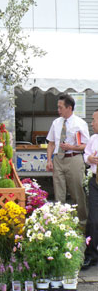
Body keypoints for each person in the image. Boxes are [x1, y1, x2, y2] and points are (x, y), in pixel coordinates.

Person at [46, 94, 89, 224]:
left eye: (60, 107)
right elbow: (51, 143)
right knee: (59, 193)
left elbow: (86, 145)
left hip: (74, 159)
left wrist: (71, 147)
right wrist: (49, 160)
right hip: (58, 159)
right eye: (58, 107)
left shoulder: (80, 123)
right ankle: (60, 223)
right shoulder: (56, 122)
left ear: (69, 108)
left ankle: (82, 221)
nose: (58, 110)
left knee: (77, 193)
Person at [81, 109, 98, 269]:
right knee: (93, 219)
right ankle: (91, 255)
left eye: (94, 120)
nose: (91, 123)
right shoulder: (93, 138)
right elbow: (86, 156)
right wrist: (89, 158)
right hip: (95, 181)